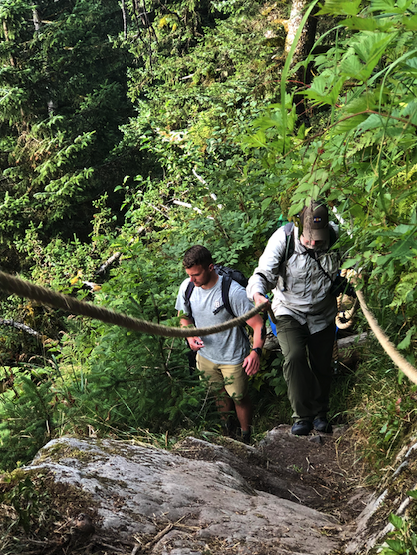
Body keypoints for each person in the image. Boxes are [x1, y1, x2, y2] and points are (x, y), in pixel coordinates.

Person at [246, 200, 340, 436]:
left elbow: (356, 267)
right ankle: (302, 416)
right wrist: (258, 294)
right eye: (309, 239)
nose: (314, 243)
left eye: (318, 239)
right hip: (288, 310)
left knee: (322, 362)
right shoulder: (283, 238)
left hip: (323, 311)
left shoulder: (338, 239)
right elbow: (263, 273)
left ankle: (321, 414)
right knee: (295, 356)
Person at [176, 245, 265, 444]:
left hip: (233, 357)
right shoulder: (188, 287)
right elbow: (183, 317)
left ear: (210, 267)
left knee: (239, 397)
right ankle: (228, 434)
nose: (192, 280)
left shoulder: (232, 292)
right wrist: (189, 336)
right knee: (218, 396)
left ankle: (246, 437)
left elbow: (258, 325)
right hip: (206, 356)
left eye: (196, 274)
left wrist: (255, 352)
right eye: (189, 275)